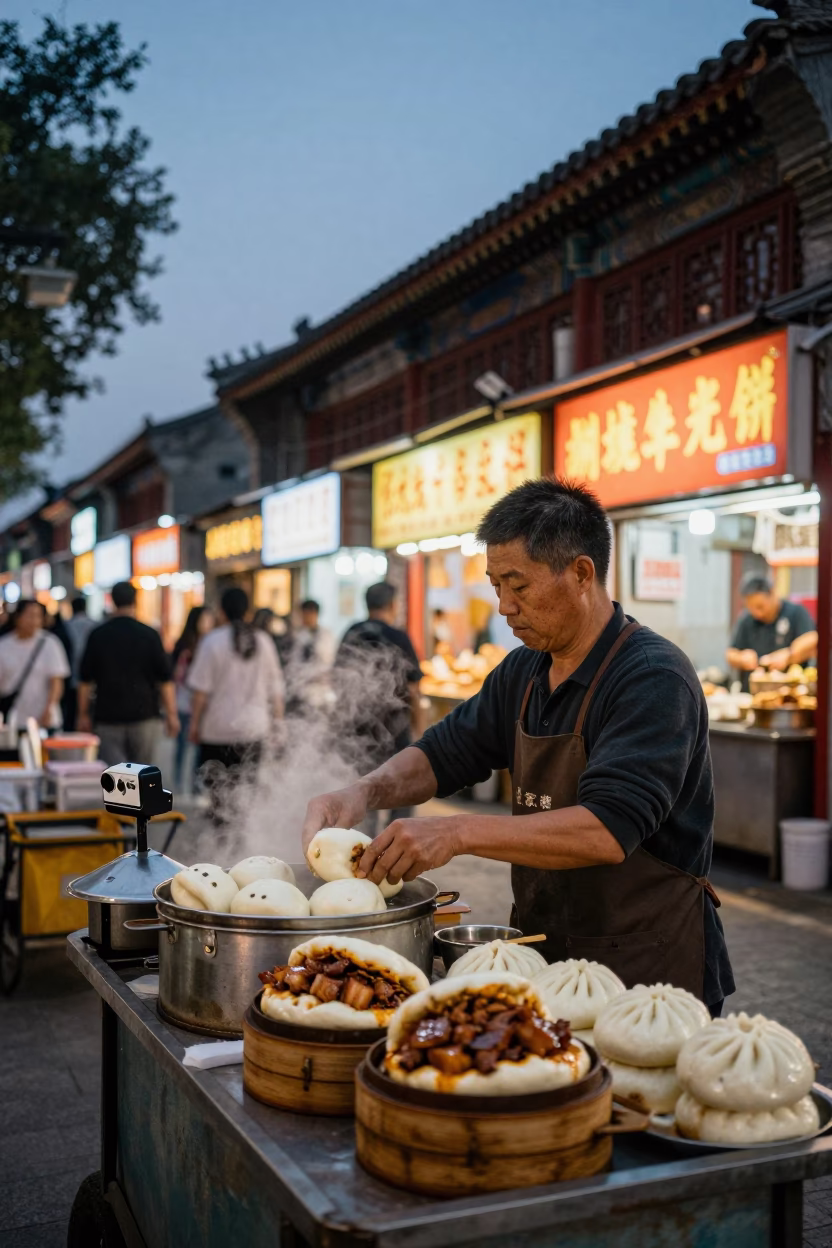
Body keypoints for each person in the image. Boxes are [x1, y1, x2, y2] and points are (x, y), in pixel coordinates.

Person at [304, 478, 733, 1015]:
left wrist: (456, 831)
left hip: (647, 970)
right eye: (495, 584)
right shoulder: (525, 671)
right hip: (545, 953)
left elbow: (606, 830)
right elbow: (446, 752)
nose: (503, 606)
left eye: (518, 585)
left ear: (580, 573)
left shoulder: (651, 676)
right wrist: (363, 791)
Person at [187, 587, 285, 821]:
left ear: (222, 612)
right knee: (246, 795)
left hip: (217, 731)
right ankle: (241, 843)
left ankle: (222, 842)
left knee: (218, 796)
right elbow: (276, 690)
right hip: (253, 732)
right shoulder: (264, 641)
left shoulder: (212, 641)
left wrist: (194, 725)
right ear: (247, 611)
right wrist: (278, 723)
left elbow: (200, 692)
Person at [332, 581, 423, 830]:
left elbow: (337, 681)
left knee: (364, 797)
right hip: (395, 731)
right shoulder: (398, 636)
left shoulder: (351, 633)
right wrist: (419, 728)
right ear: (392, 605)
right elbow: (413, 688)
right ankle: (393, 852)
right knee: (403, 794)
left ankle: (363, 855)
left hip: (358, 732)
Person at [78, 581, 178, 764]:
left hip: (107, 716)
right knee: (142, 775)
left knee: (116, 780)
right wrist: (172, 714)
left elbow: (85, 680)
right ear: (136, 600)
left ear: (112, 601)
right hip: (145, 716)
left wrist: (82, 714)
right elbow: (165, 678)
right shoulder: (149, 634)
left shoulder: (98, 635)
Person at [726, 572, 817, 692]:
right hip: (752, 694)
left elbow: (813, 638)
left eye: (760, 606)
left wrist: (789, 655)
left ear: (773, 594)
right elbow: (730, 653)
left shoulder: (796, 613)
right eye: (751, 608)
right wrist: (741, 658)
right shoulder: (746, 619)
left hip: (790, 695)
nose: (757, 613)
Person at [0, 599, 70, 729]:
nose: (34, 621)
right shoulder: (3, 646)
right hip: (13, 717)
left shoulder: (50, 643)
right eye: (30, 615)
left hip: (44, 718)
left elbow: (56, 681)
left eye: (38, 616)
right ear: (17, 617)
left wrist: (50, 707)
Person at [171, 605, 215, 791]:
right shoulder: (185, 645)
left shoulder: (212, 643)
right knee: (182, 746)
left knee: (199, 750)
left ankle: (196, 786)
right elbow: (175, 676)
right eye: (204, 619)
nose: (208, 623)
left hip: (204, 705)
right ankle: (178, 783)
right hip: (184, 702)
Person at [63, 596, 97, 730]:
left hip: (71, 673)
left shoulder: (66, 625)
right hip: (91, 674)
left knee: (72, 710)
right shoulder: (95, 624)